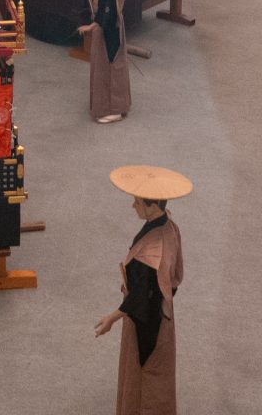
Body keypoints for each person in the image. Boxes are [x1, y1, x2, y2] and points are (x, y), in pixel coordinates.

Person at [96, 165, 189, 415]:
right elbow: (176, 275)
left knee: (143, 376)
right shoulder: (170, 226)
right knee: (160, 374)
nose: (133, 206)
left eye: (137, 202)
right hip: (163, 311)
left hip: (146, 321)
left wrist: (111, 318)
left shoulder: (149, 255)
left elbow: (138, 298)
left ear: (152, 206)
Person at [81, 0, 135, 123]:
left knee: (109, 67)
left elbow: (108, 13)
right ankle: (117, 105)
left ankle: (113, 108)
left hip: (108, 29)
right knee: (112, 66)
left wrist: (91, 26)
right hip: (110, 25)